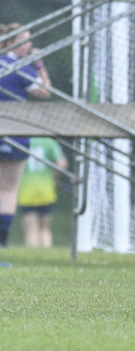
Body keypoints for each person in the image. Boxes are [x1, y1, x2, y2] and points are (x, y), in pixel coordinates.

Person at [1, 24, 53, 248]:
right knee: (8, 190)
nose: (30, 45)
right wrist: (39, 64)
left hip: (14, 134)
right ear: (11, 42)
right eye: (25, 40)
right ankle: (2, 244)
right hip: (15, 134)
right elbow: (45, 92)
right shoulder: (21, 67)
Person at [17, 137, 68, 248]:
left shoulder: (23, 140)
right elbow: (62, 163)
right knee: (44, 228)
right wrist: (54, 177)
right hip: (46, 190)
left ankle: (33, 258)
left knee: (31, 230)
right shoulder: (49, 141)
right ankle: (47, 254)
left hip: (26, 190)